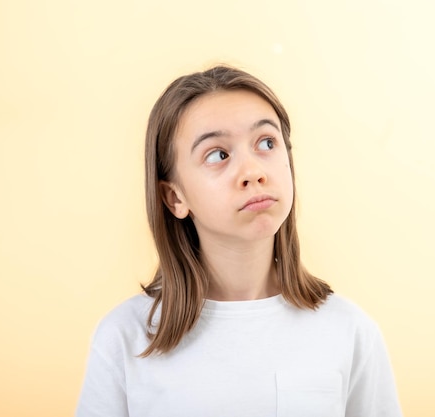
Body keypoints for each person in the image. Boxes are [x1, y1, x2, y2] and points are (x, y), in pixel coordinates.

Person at [76, 65, 403, 417]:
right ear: (174, 198)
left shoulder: (350, 331)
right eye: (218, 154)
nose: (253, 172)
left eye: (266, 143)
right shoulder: (124, 339)